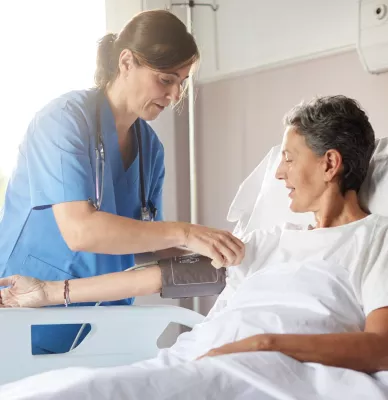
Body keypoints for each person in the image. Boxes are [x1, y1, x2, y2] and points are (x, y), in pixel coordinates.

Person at [2, 96, 388, 400]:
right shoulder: (270, 240)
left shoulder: (380, 239)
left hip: (260, 368)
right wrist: (51, 293)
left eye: (289, 158)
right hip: (196, 358)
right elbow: (166, 277)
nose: (278, 172)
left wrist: (264, 344)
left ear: (330, 164)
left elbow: (381, 349)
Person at [0, 10, 245, 355]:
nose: (176, 95)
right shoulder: (63, 121)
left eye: (182, 82)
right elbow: (80, 231)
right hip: (26, 310)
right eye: (165, 79)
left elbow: (143, 240)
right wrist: (186, 233)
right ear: (126, 62)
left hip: (104, 323)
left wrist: (213, 248)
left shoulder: (150, 149)